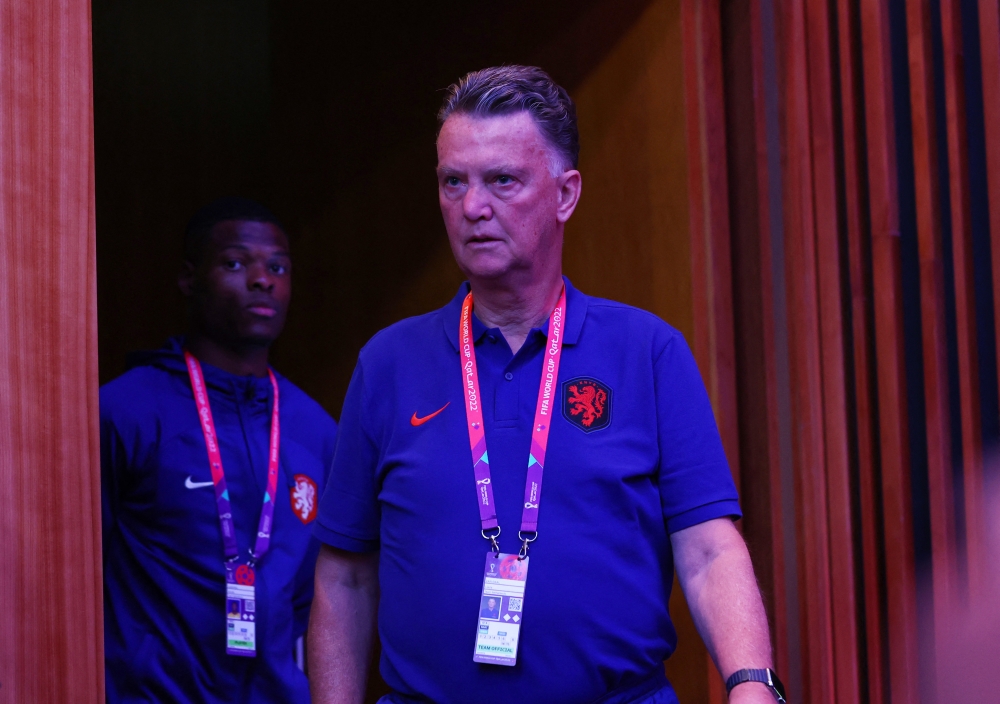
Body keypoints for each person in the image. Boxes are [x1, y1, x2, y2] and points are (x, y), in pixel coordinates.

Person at [308, 66, 780, 704]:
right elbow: (345, 577)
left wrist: (752, 684)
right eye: (453, 181)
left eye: (502, 180)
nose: (473, 207)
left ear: (565, 194)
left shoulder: (648, 352)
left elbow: (708, 551)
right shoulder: (388, 364)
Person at [101, 197, 337, 703]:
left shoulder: (315, 429)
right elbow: (70, 574)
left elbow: (313, 594)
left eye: (278, 267)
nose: (262, 280)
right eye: (235, 263)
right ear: (189, 278)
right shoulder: (126, 411)